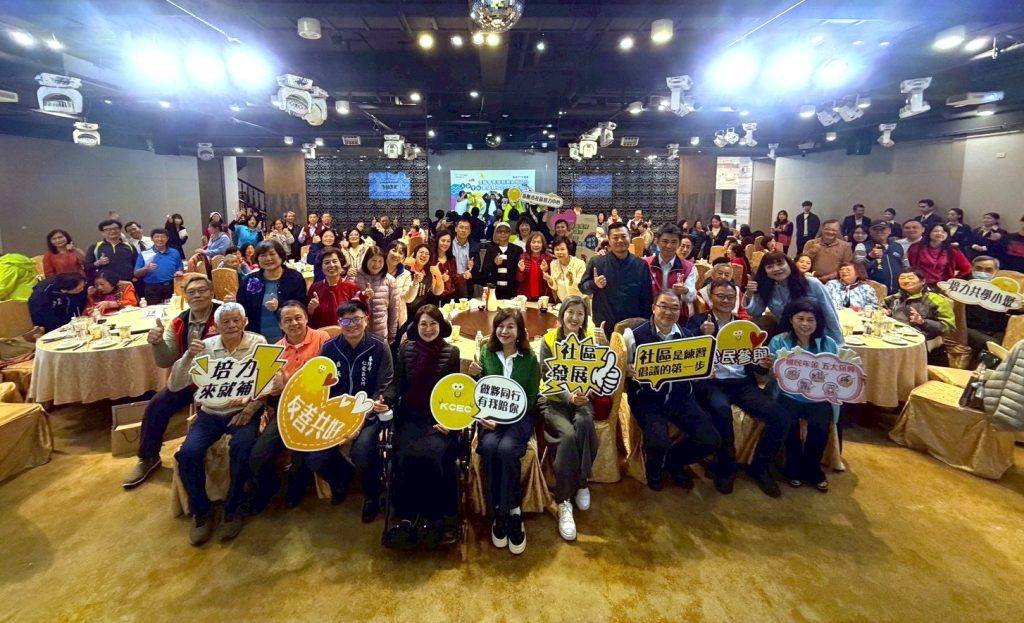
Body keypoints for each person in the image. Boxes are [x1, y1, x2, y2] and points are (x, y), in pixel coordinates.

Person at [170, 303, 265, 545]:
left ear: (244, 322)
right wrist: (188, 356)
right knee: (188, 454)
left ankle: (234, 507)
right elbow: (175, 384)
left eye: (236, 320)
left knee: (242, 447)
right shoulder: (206, 347)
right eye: (226, 322)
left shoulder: (258, 343)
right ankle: (201, 511)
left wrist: (251, 407)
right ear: (216, 325)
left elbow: (267, 382)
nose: (232, 325)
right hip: (210, 413)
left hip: (242, 412)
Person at [690, 279, 791, 497]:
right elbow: (688, 354)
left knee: (780, 416)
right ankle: (725, 467)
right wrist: (702, 334)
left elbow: (755, 362)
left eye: (730, 297)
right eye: (720, 296)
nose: (726, 300)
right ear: (710, 298)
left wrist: (763, 364)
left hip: (742, 383)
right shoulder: (698, 321)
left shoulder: (745, 326)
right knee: (721, 410)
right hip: (712, 384)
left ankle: (760, 466)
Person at [248, 301, 347, 512]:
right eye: (287, 320)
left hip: (319, 407)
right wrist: (272, 390)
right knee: (258, 455)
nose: (294, 323)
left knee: (303, 452)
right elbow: (263, 390)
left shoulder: (323, 339)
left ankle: (305, 486)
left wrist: (290, 382)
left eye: (298, 318)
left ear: (306, 318)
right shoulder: (274, 351)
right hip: (287, 410)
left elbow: (334, 376)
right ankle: (271, 486)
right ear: (280, 325)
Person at [122, 276, 220, 489]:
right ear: (185, 297)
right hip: (191, 380)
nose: (197, 295)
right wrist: (157, 343)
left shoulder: (225, 314)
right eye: (191, 292)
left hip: (222, 379)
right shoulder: (178, 322)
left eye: (202, 290)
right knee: (157, 405)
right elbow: (165, 360)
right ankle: (148, 457)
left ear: (212, 293)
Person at [381, 305, 462, 548]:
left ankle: (436, 516)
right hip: (410, 418)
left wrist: (450, 423)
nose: (428, 329)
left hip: (439, 420)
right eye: (423, 324)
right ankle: (405, 516)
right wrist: (385, 399)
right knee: (403, 456)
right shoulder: (405, 350)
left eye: (433, 324)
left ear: (441, 326)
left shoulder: (452, 352)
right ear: (416, 327)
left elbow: (455, 392)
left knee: (433, 456)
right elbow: (397, 385)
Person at [625, 290, 721, 491]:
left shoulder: (688, 337)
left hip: (681, 397)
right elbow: (618, 368)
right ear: (654, 308)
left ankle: (674, 462)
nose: (668, 312)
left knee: (710, 439)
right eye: (663, 306)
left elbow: (694, 372)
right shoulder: (633, 335)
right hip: (647, 399)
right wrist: (627, 369)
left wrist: (705, 372)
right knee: (658, 441)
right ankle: (654, 470)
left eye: (675, 308)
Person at [466, 310, 539, 555]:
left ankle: (512, 511)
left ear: (519, 331)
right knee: (488, 447)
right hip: (490, 418)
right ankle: (499, 509)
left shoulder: (529, 358)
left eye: (510, 327)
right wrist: (474, 375)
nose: (504, 331)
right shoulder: (486, 352)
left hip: (519, 417)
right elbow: (480, 390)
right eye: (500, 326)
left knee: (507, 450)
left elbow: (531, 397)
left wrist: (509, 416)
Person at [537, 296, 602, 542]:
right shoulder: (548, 340)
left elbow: (597, 373)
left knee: (585, 423)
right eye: (570, 312)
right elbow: (547, 374)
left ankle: (581, 482)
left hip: (582, 399)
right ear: (562, 313)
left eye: (580, 314)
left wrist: (587, 392)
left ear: (585, 318)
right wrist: (569, 396)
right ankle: (564, 499)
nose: (575, 318)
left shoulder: (590, 340)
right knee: (567, 436)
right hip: (553, 400)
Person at [767, 298, 839, 492]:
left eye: (810, 319)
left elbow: (837, 372)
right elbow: (770, 374)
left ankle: (813, 468)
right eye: (800, 318)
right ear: (791, 319)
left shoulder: (828, 343)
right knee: (788, 421)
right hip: (787, 394)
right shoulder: (779, 341)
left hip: (818, 395)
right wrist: (772, 370)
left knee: (820, 424)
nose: (805, 324)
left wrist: (853, 377)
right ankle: (793, 466)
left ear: (818, 322)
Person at [745, 252, 845, 344]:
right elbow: (755, 312)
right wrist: (751, 293)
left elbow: (829, 314)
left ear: (790, 264)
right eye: (770, 267)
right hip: (787, 339)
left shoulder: (811, 283)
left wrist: (838, 343)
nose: (776, 269)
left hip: (817, 338)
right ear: (765, 271)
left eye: (780, 264)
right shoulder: (767, 288)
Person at [579, 222, 653, 331]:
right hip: (604, 325)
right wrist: (594, 284)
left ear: (630, 237)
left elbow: (647, 297)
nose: (620, 240)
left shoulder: (641, 265)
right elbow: (582, 288)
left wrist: (646, 324)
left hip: (634, 326)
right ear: (608, 240)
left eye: (623, 236)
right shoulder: (597, 262)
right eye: (615, 237)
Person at [236, 240, 308, 342]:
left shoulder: (294, 278)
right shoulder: (250, 280)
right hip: (256, 337)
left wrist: (280, 306)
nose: (268, 258)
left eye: (272, 254)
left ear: (281, 255)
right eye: (263, 255)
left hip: (289, 336)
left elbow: (301, 305)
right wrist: (232, 304)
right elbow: (242, 308)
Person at [884, 268, 955, 348]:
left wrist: (922, 322)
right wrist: (885, 311)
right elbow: (883, 307)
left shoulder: (936, 300)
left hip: (920, 338)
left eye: (910, 278)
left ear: (923, 281)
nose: (906, 281)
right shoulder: (895, 297)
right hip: (894, 334)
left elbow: (947, 326)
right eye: (902, 278)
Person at [965, 256, 1015, 363]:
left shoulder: (1003, 288)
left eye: (988, 270)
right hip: (969, 328)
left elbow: (1013, 309)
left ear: (996, 271)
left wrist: (1020, 307)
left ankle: (982, 371)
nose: (983, 272)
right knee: (995, 347)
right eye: (979, 268)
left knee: (1000, 350)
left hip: (996, 330)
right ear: (972, 268)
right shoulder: (961, 287)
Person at [646, 224, 696, 325]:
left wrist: (685, 291)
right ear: (657, 241)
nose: (669, 246)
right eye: (665, 241)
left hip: (676, 317)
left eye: (674, 242)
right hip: (649, 314)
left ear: (679, 244)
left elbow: (690, 298)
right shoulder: (646, 264)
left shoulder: (689, 267)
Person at [306, 248, 361, 330]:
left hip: (347, 332)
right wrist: (311, 309)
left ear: (341, 264)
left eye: (335, 261)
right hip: (321, 334)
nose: (331, 265)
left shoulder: (351, 287)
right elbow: (309, 318)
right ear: (321, 267)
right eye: (326, 262)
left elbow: (360, 316)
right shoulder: (315, 288)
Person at [354, 247, 400, 342]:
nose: (377, 264)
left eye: (380, 261)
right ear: (366, 260)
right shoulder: (355, 276)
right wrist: (363, 296)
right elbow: (349, 303)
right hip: (358, 332)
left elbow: (394, 308)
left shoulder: (390, 280)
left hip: (381, 333)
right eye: (373, 260)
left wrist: (392, 333)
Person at [133, 228, 183, 303]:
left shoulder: (174, 252)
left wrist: (180, 271)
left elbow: (179, 266)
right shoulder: (144, 254)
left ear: (167, 238)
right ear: (152, 239)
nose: (160, 239)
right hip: (152, 288)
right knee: (154, 309)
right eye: (157, 237)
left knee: (174, 307)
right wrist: (146, 268)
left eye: (163, 237)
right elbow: (136, 273)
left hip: (171, 286)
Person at [479, 222, 523, 301]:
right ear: (496, 234)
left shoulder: (517, 250)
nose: (503, 234)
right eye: (499, 231)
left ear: (510, 233)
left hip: (512, 291)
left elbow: (519, 272)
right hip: (495, 292)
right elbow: (484, 272)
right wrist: (494, 263)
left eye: (506, 231)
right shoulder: (491, 250)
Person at [85, 219, 138, 283]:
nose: (112, 231)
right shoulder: (95, 247)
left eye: (115, 228)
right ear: (102, 232)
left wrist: (135, 277)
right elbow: (87, 267)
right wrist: (98, 263)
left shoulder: (130, 246)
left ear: (120, 230)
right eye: (108, 229)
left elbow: (137, 264)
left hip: (127, 283)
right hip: (106, 284)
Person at [865, 222, 906, 294]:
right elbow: (858, 267)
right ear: (870, 232)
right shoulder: (862, 246)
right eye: (875, 229)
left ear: (889, 231)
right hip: (873, 290)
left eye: (882, 229)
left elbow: (905, 265)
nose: (879, 232)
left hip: (898, 289)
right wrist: (870, 257)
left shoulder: (898, 246)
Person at [543, 236, 586, 303]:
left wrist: (571, 279)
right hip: (561, 300)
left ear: (568, 249)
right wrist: (549, 279)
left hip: (578, 300)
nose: (559, 252)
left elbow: (581, 286)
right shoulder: (553, 264)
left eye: (562, 249)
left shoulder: (579, 263)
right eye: (557, 250)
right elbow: (555, 287)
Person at [516, 232, 553, 301]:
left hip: (543, 297)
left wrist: (546, 271)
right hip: (525, 297)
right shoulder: (523, 257)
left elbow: (550, 282)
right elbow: (519, 279)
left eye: (539, 242)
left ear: (543, 244)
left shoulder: (548, 258)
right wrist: (521, 271)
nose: (536, 245)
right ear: (529, 244)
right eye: (533, 242)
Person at [429, 230, 460, 305]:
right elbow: (427, 277)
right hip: (433, 295)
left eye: (448, 241)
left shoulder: (452, 258)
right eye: (443, 240)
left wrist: (463, 276)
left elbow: (454, 278)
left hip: (450, 295)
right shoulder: (430, 257)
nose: (445, 243)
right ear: (437, 241)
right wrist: (439, 277)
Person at [450, 217, 478, 300]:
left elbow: (478, 267)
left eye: (466, 228)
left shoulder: (475, 246)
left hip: (466, 281)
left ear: (470, 231)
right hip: (450, 280)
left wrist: (473, 266)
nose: (463, 230)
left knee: (465, 305)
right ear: (456, 229)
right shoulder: (448, 243)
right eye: (461, 227)